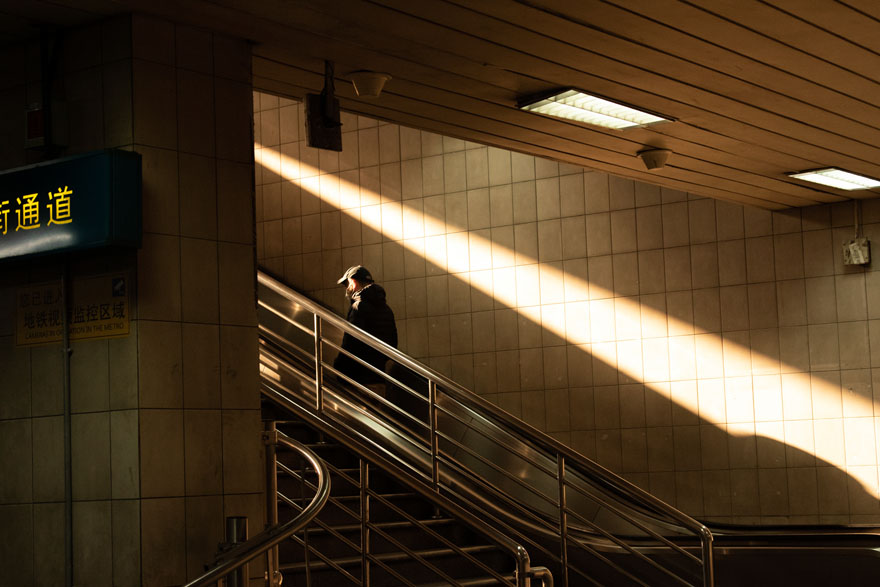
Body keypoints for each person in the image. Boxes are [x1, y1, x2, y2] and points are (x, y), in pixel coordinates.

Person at [333, 266, 398, 395]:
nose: (347, 289)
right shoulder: (386, 309)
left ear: (353, 282)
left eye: (347, 285)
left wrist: (338, 367)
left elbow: (350, 342)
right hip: (379, 379)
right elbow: (393, 343)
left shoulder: (358, 307)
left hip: (359, 380)